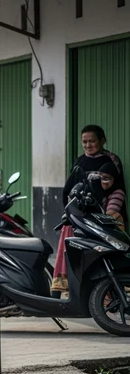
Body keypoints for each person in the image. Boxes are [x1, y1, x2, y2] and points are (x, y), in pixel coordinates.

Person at [51, 125, 125, 295]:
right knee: (71, 249)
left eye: (92, 141)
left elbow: (115, 189)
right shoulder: (80, 161)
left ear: (103, 140)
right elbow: (70, 189)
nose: (88, 145)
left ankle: (105, 293)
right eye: (84, 142)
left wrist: (109, 216)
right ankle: (63, 290)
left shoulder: (111, 160)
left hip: (101, 218)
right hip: (79, 217)